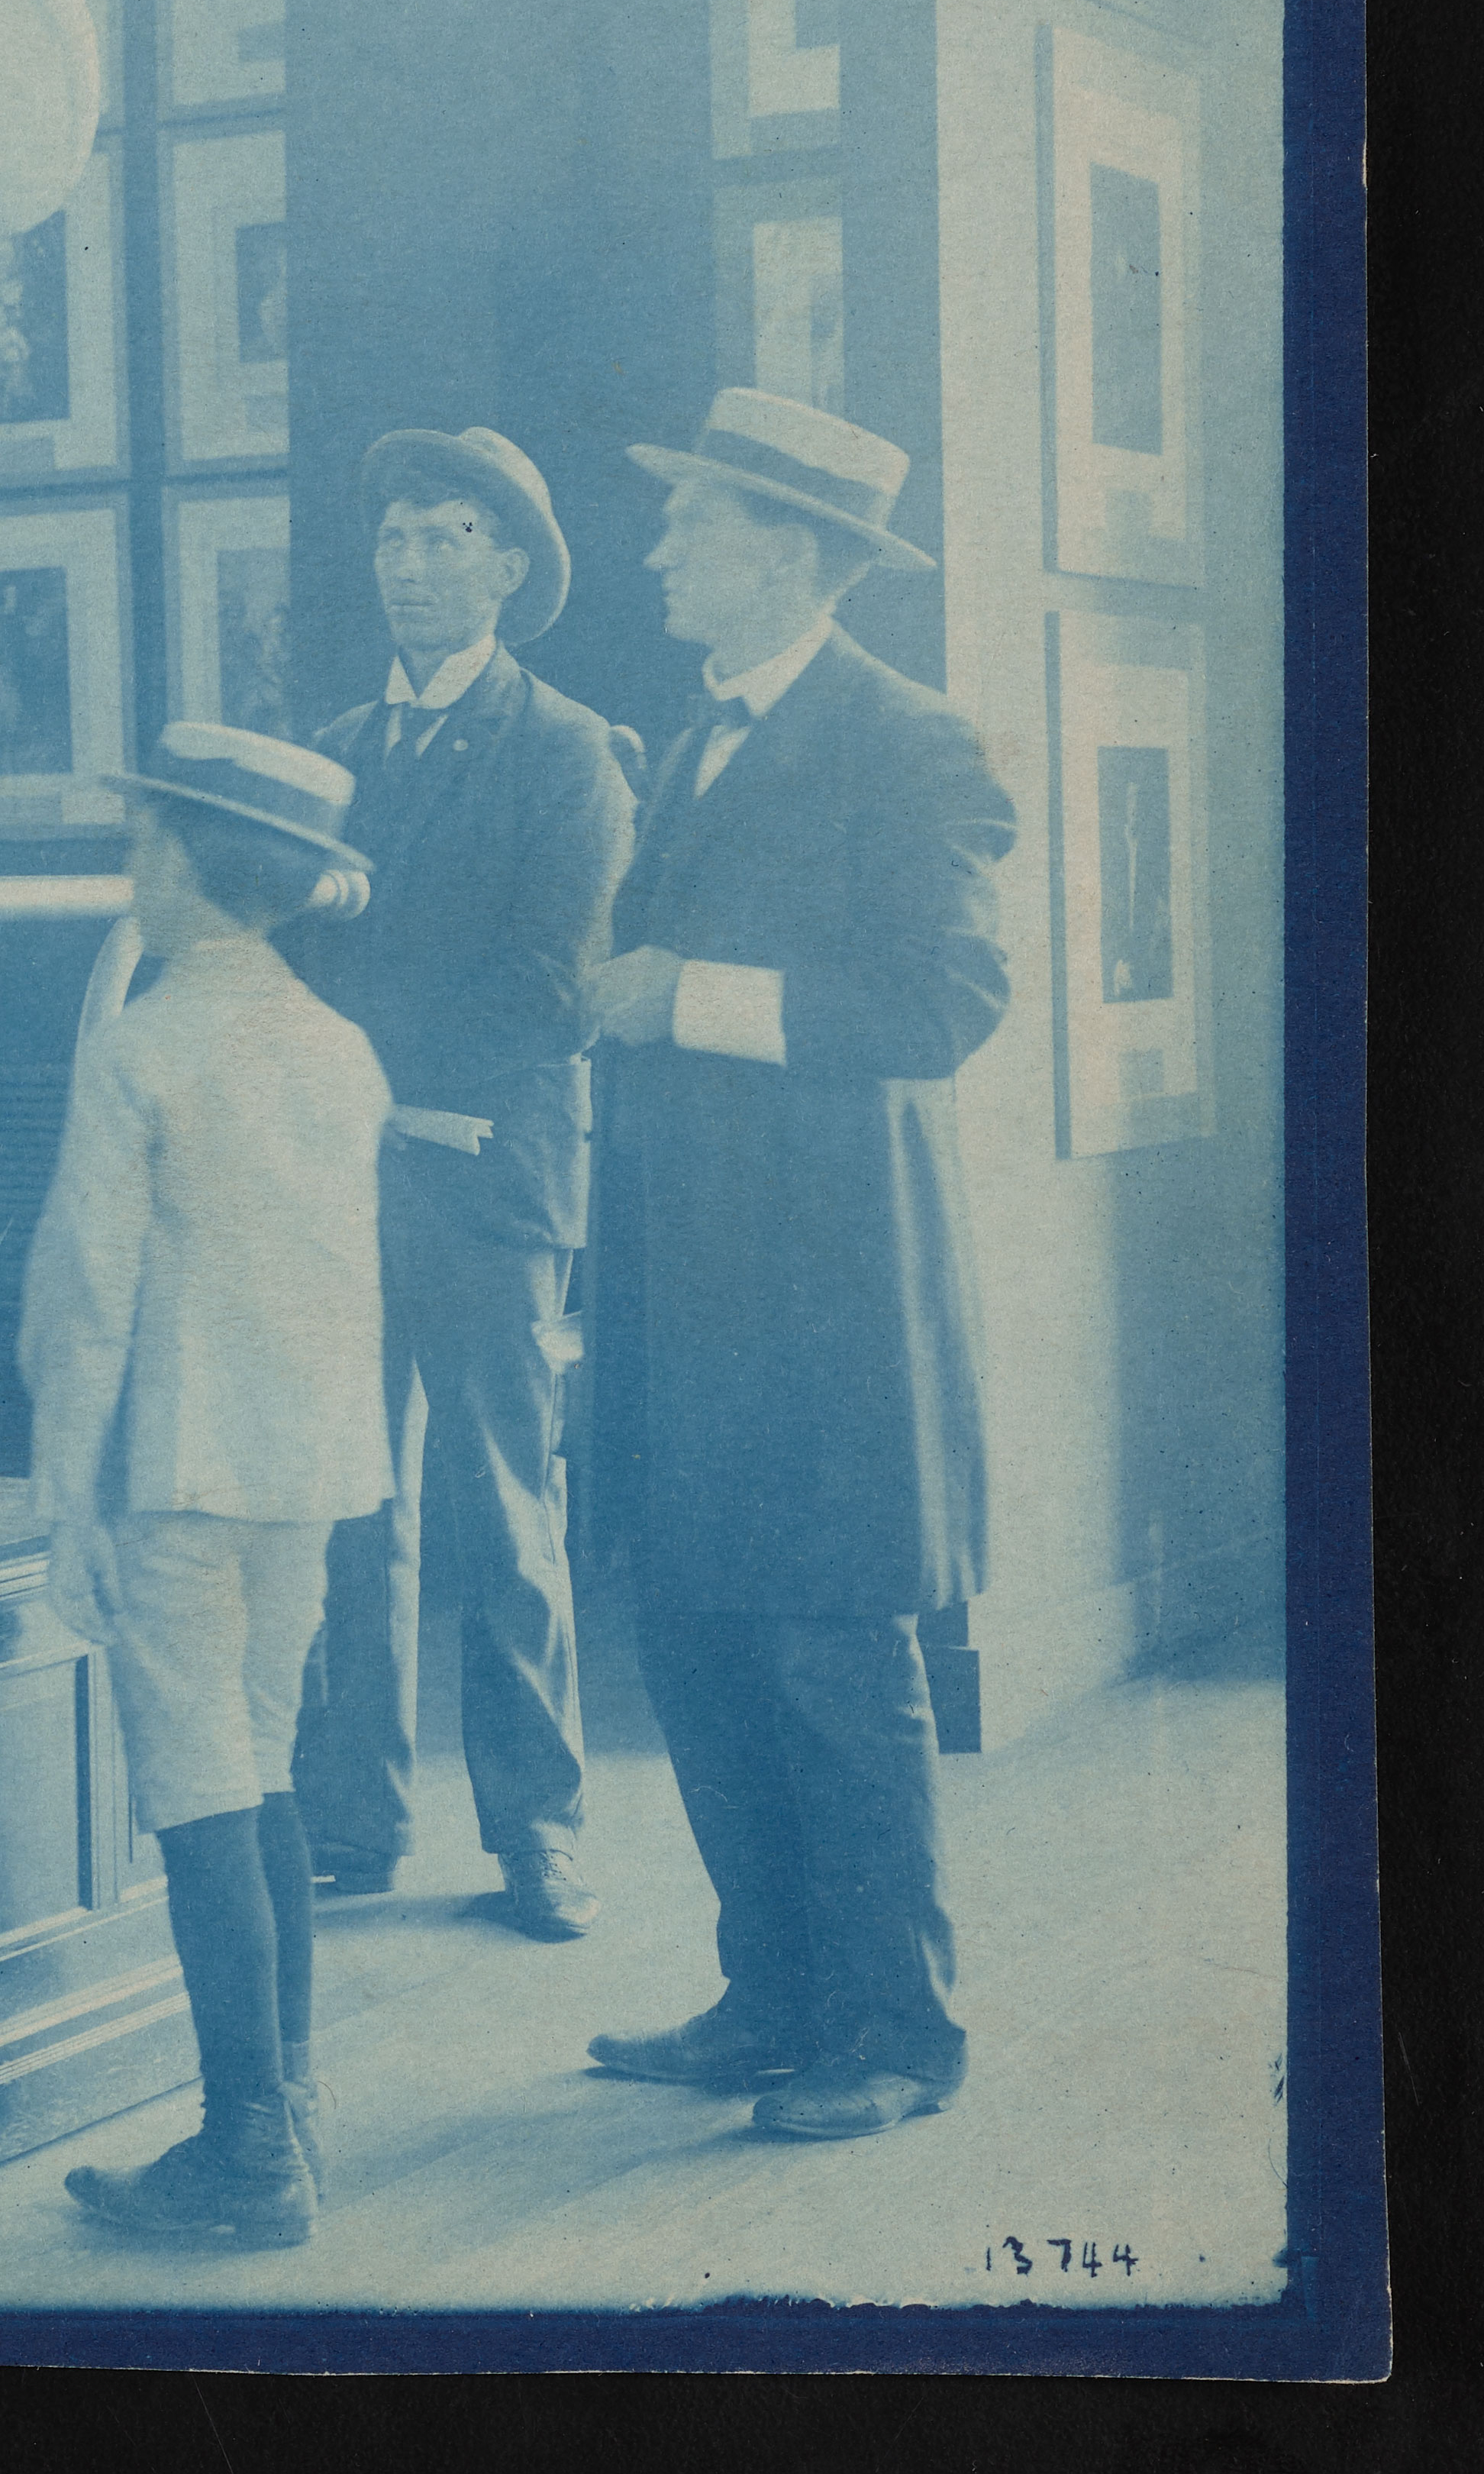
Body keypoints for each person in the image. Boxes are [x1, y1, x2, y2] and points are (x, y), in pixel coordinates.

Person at [582, 390, 1013, 2143]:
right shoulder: (697, 733)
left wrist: (680, 992)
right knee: (695, 1633)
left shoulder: (908, 736)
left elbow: (942, 1003)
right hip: (688, 1278)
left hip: (830, 1292)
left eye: (695, 520)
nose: (664, 546)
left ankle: (898, 2030)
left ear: (794, 550)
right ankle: (773, 1996)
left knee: (834, 1649)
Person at [27, 722, 391, 2251]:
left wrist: (63, 1503)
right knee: (263, 1764)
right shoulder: (340, 1043)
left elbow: (86, 1300)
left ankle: (246, 2151)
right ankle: (293, 2104)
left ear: (181, 859)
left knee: (196, 1792)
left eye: (142, 838)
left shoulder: (145, 1045)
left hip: (176, 1473)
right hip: (311, 1466)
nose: (130, 862)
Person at [279, 428, 634, 1939]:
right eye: (396, 538)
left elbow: (559, 980)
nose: (411, 563)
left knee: (501, 1504)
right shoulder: (333, 749)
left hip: (491, 1180)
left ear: (509, 567)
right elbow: (287, 953)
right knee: (350, 1501)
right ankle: (353, 1814)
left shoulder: (572, 747)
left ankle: (538, 1826)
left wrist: (372, 1071)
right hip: (345, 1179)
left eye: (446, 537)